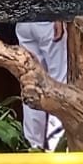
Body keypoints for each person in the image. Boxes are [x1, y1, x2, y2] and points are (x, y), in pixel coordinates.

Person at [14, 20, 65, 151]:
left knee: (31, 86)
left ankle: (33, 148)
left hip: (24, 20)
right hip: (49, 22)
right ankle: (55, 149)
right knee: (59, 85)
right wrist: (58, 15)